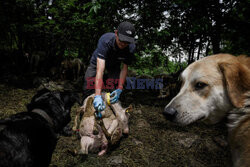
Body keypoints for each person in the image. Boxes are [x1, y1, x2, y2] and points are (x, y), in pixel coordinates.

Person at [83, 21, 136, 117]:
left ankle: (113, 115)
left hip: (114, 65)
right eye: (121, 40)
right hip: (98, 62)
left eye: (127, 42)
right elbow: (100, 70)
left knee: (114, 86)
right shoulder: (105, 40)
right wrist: (98, 95)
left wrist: (120, 89)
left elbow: (124, 69)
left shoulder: (131, 48)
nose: (124, 44)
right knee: (89, 84)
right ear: (116, 33)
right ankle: (85, 113)